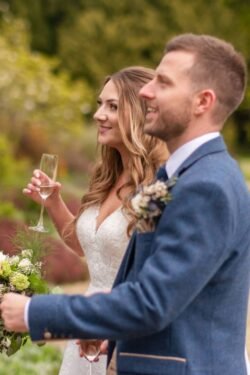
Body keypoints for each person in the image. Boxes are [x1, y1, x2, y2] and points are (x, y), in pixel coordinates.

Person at [1, 33, 250, 375]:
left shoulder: (206, 186)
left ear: (203, 102)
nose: (147, 92)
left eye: (162, 83)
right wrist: (115, 337)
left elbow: (151, 303)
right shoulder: (185, 174)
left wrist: (35, 313)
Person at [17, 66, 168, 375]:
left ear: (140, 114)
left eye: (113, 106)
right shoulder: (107, 175)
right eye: (100, 104)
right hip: (87, 329)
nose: (99, 114)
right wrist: (54, 203)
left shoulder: (158, 186)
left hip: (126, 330)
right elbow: (89, 246)